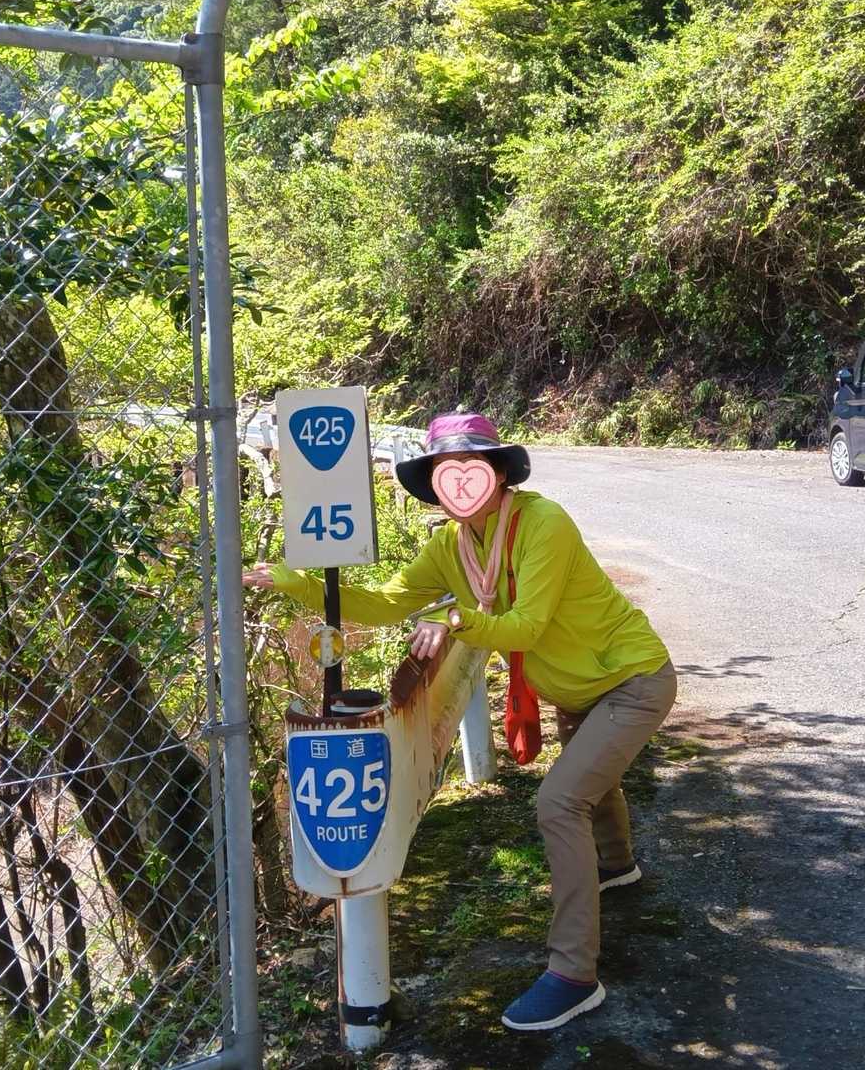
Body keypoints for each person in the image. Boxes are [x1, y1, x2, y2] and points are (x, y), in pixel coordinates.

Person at [245, 411, 677, 1032]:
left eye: (471, 468)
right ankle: (616, 866)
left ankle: (574, 975)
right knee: (590, 779)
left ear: (498, 472)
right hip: (576, 692)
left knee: (560, 802)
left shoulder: (542, 523)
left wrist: (454, 620)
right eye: (446, 473)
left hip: (631, 679)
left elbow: (526, 627)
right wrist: (299, 584)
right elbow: (385, 602)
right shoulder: (451, 546)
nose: (461, 484)